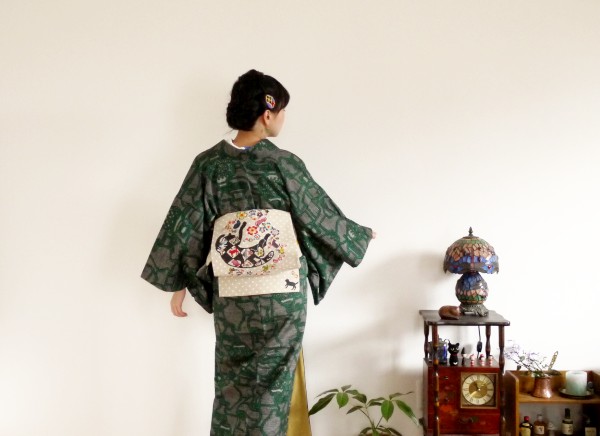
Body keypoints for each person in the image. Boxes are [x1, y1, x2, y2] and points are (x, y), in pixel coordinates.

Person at [141, 69, 374, 435]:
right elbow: (317, 216)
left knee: (232, 384)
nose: (283, 118)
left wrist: (179, 283)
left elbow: (187, 223)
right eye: (282, 111)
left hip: (234, 297)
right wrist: (358, 234)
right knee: (274, 388)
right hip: (282, 296)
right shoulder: (284, 163)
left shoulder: (208, 164)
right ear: (267, 114)